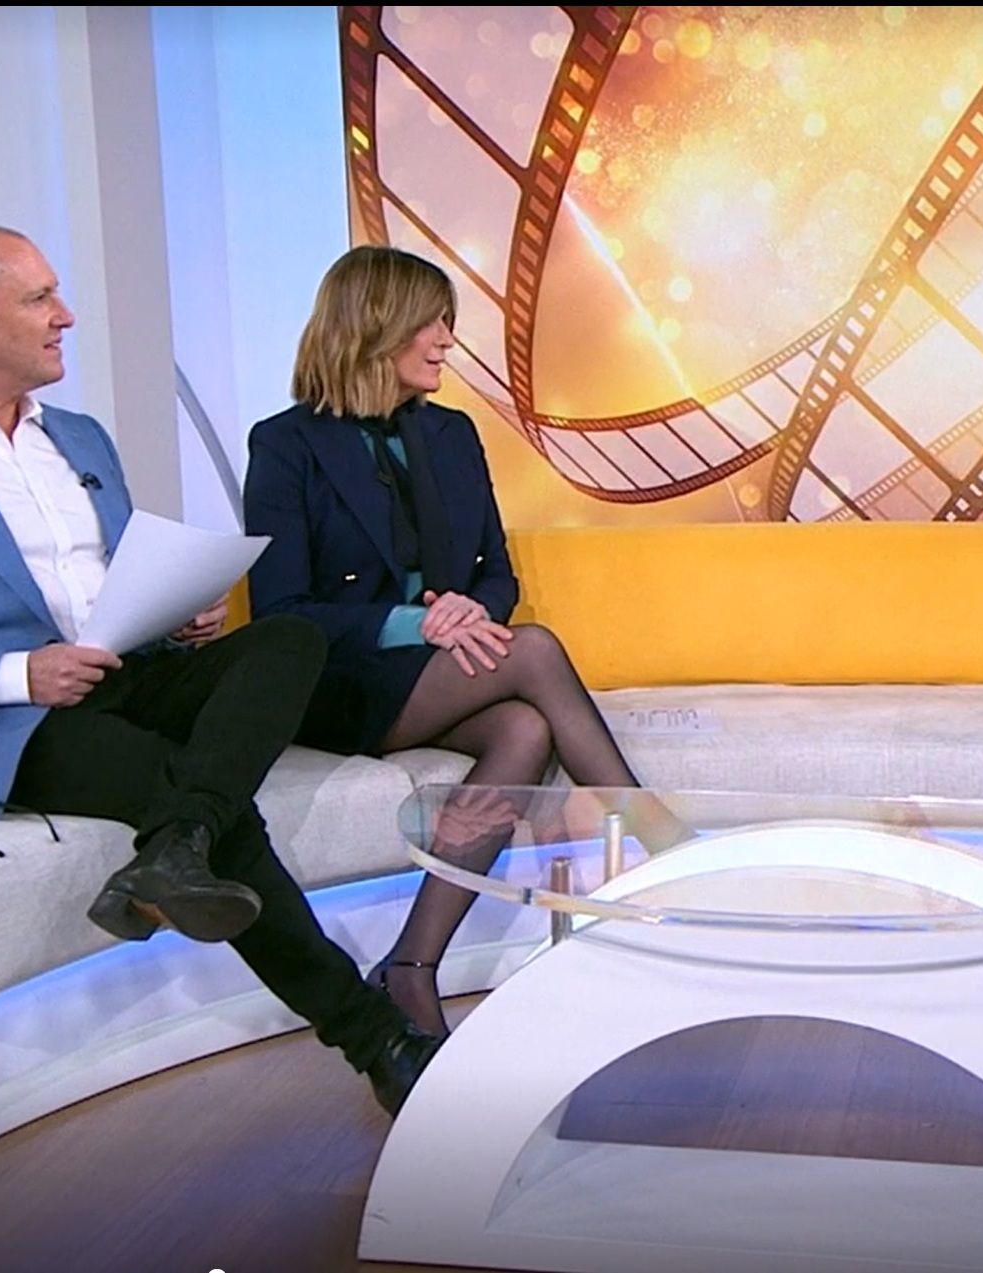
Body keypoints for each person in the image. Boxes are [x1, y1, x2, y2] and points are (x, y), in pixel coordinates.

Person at [0, 224, 439, 1116]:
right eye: (39, 298)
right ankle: (377, 1037)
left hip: (121, 674)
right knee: (187, 787)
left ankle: (178, 847)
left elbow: (104, 590)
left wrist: (172, 614)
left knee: (287, 640)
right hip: (0, 719)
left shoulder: (79, 438)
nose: (66, 316)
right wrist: (19, 674)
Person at [245, 245, 672, 1040]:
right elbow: (281, 610)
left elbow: (496, 573)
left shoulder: (450, 432)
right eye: (431, 323)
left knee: (525, 727)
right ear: (375, 327)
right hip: (343, 678)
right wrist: (420, 623)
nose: (447, 339)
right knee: (533, 649)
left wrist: (470, 611)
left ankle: (410, 965)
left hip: (443, 666)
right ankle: (670, 852)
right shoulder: (286, 444)